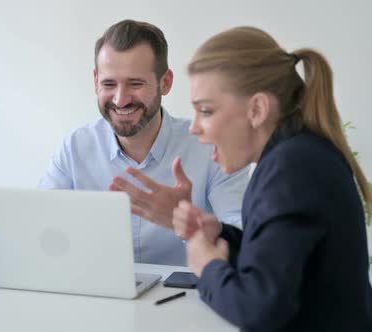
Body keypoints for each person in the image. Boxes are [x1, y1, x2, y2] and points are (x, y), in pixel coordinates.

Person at [172, 26, 372, 330]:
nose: (194, 127)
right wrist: (222, 235)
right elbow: (284, 260)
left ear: (257, 109)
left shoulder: (291, 169)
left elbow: (259, 310)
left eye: (206, 111)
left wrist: (208, 266)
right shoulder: (296, 155)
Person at [39, 19, 248, 266]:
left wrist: (186, 225)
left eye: (135, 84)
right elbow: (41, 230)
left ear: (165, 82)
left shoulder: (211, 147)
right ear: (96, 81)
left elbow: (245, 238)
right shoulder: (75, 148)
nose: (121, 99)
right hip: (97, 295)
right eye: (109, 84)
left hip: (190, 298)